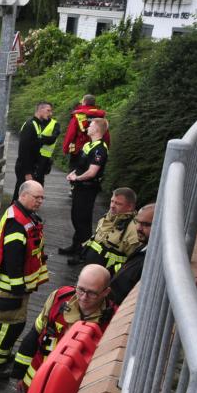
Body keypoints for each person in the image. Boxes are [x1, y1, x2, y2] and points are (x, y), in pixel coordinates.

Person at [12, 265, 116, 392]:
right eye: (81, 289)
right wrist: (19, 372)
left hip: (70, 390)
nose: (83, 297)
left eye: (92, 293)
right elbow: (34, 333)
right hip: (36, 378)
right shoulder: (59, 297)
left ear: (106, 292)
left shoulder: (113, 320)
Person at [0, 180, 49, 376]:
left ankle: (3, 356)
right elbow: (13, 257)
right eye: (36, 197)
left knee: (15, 323)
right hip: (12, 286)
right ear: (23, 195)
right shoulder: (17, 222)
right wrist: (17, 288)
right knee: (8, 324)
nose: (40, 201)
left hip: (18, 285)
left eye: (42, 197)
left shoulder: (24, 214)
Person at [62, 118, 109, 258]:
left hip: (88, 188)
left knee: (83, 220)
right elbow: (81, 166)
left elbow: (92, 172)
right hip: (79, 187)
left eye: (91, 125)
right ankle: (75, 246)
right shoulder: (88, 145)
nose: (88, 127)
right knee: (76, 216)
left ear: (97, 129)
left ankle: (83, 253)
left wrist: (77, 178)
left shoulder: (100, 149)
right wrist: (73, 173)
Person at [75, 187, 140, 269]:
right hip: (91, 269)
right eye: (112, 201)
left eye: (118, 203)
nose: (112, 206)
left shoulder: (134, 230)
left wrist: (113, 273)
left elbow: (134, 263)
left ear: (130, 207)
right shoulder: (107, 217)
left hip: (109, 277)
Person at [110, 203, 154, 305]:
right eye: (137, 222)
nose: (138, 228)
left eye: (146, 224)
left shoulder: (153, 261)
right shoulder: (144, 246)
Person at [13, 102, 56, 201]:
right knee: (20, 197)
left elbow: (35, 145)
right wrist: (27, 172)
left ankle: (22, 214)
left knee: (24, 197)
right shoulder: (30, 125)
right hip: (24, 167)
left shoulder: (37, 124)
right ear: (40, 110)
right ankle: (13, 215)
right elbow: (23, 150)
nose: (50, 113)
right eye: (48, 110)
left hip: (31, 166)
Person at [62, 94, 110, 171]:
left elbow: (70, 134)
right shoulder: (100, 116)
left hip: (78, 149)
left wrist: (65, 148)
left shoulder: (78, 116)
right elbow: (106, 134)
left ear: (84, 102)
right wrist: (106, 148)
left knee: (75, 172)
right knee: (93, 171)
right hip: (96, 148)